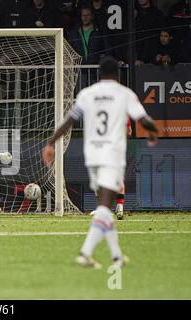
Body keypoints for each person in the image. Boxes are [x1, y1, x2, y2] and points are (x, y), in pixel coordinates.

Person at [42, 56, 158, 269]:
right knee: (105, 207)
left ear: (99, 74)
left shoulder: (87, 93)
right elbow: (143, 120)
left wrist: (50, 144)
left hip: (92, 155)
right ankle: (85, 253)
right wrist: (153, 131)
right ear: (116, 75)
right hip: (111, 154)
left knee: (105, 206)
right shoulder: (125, 94)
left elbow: (68, 121)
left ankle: (116, 256)